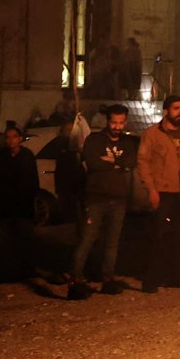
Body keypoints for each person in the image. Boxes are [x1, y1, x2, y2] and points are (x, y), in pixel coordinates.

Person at [68, 104, 135, 297]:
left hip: (118, 199)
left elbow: (131, 161)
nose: (117, 126)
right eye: (114, 122)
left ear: (125, 122)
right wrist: (119, 165)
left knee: (112, 243)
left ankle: (108, 279)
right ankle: (76, 281)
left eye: (121, 123)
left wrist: (111, 161)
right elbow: (93, 163)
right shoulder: (95, 139)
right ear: (108, 121)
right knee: (87, 240)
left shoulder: (128, 143)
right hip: (96, 199)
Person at [139, 96, 180, 291]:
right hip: (163, 191)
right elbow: (143, 161)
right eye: (176, 108)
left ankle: (177, 275)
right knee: (159, 236)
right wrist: (151, 189)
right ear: (166, 111)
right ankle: (153, 278)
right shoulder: (152, 134)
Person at [0, 125, 40, 280]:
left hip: (23, 206)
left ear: (20, 139)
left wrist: (31, 199)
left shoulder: (27, 156)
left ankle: (27, 271)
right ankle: (7, 272)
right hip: (6, 205)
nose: (11, 140)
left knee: (25, 239)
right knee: (6, 240)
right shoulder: (2, 157)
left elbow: (33, 181)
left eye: (14, 136)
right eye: (8, 137)